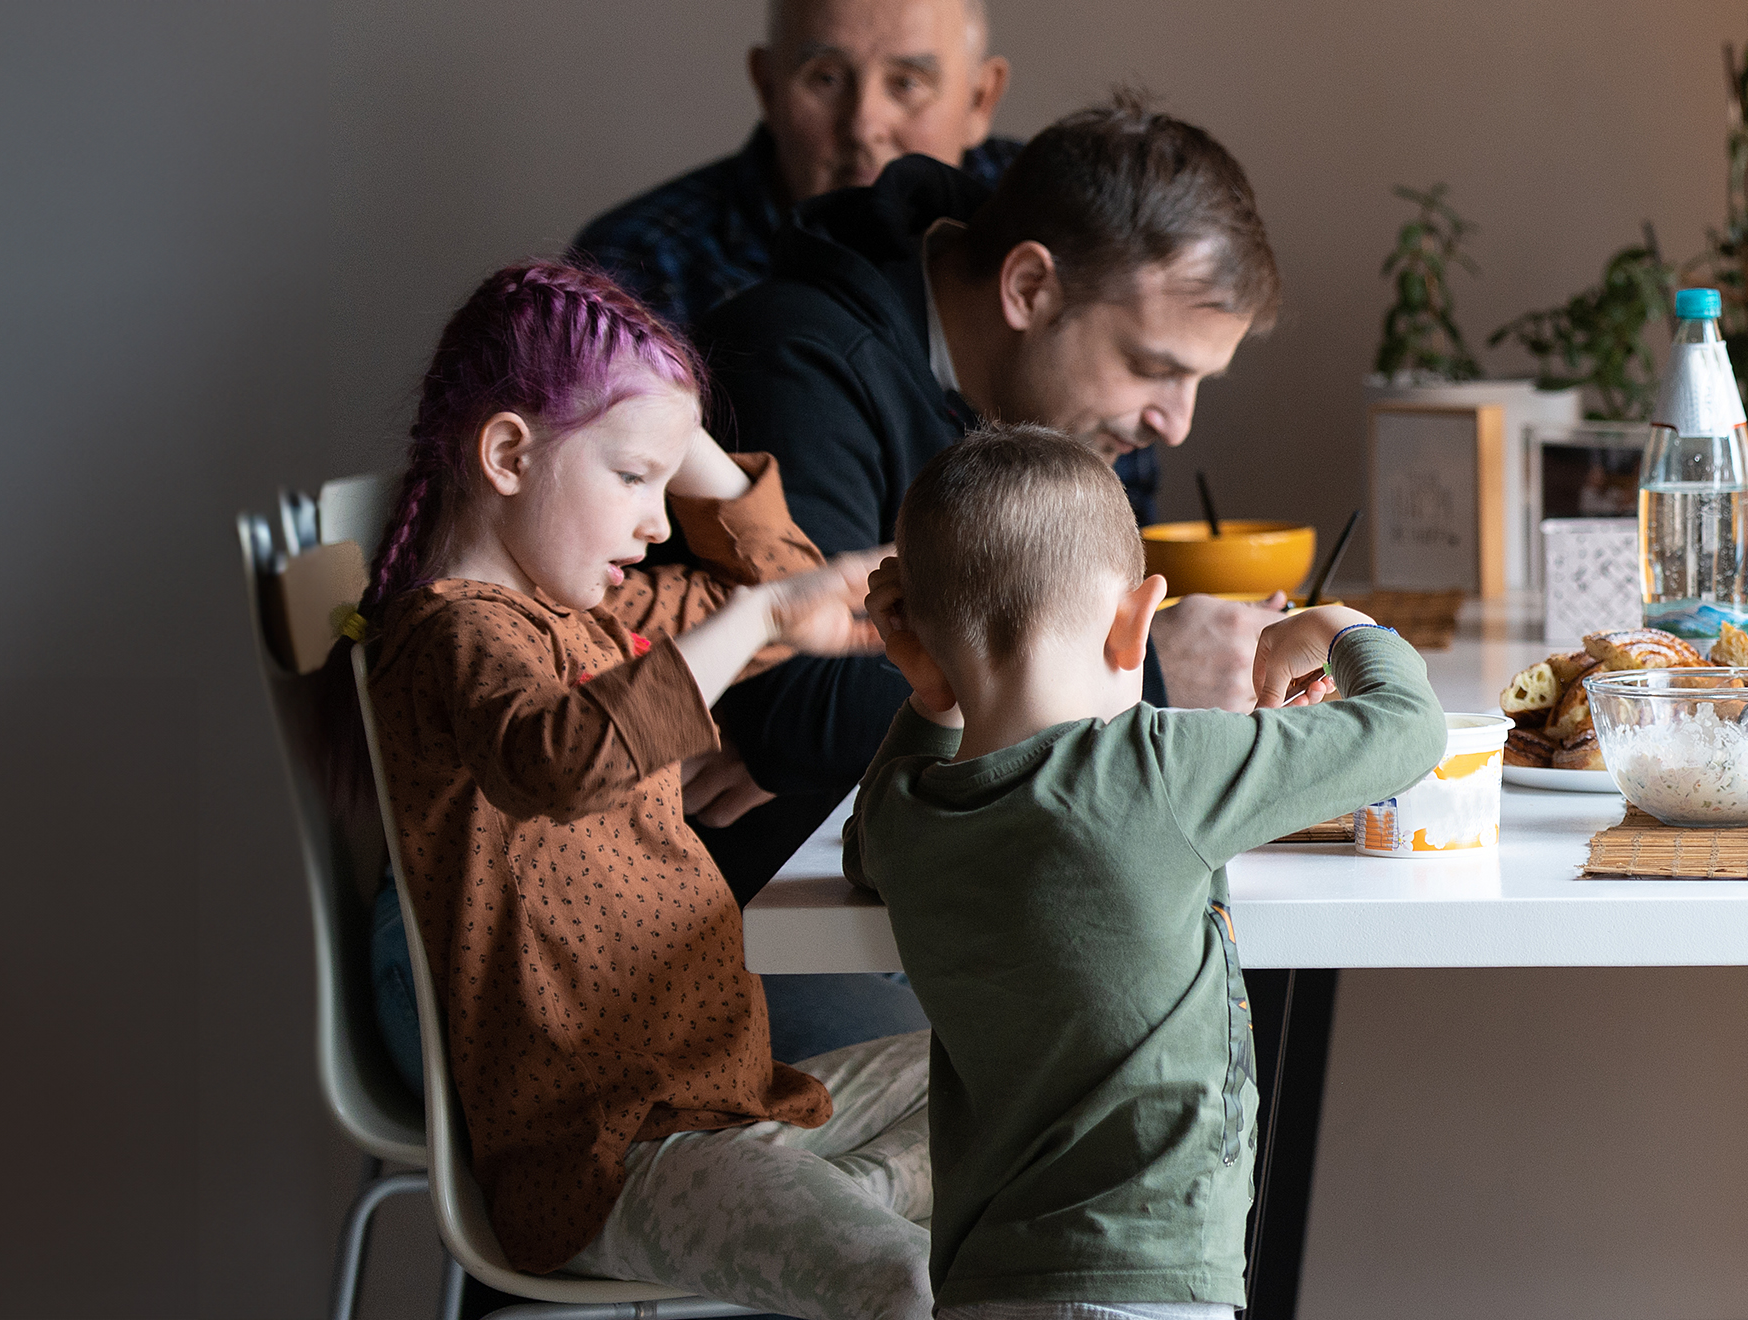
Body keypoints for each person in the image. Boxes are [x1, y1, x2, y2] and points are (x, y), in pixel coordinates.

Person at [345, 260, 936, 1318]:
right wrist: (754, 623)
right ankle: (820, 1217)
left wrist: (677, 441)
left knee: (1036, 1073)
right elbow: (559, 761)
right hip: (609, 1150)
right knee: (906, 1281)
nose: (660, 522)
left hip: (735, 1101)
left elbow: (772, 579)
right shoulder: (447, 637)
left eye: (665, 487)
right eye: (631, 481)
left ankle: (818, 1207)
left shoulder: (593, 618)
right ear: (508, 454)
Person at [842, 426, 1445, 1317]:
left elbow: (865, 841)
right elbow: (1408, 728)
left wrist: (932, 699)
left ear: (917, 636)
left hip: (979, 1282)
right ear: (1139, 617)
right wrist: (1338, 624)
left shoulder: (911, 814)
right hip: (1147, 1277)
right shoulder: (1155, 768)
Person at [673, 89, 1288, 920]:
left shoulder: (1020, 404)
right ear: (1030, 287)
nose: (1175, 425)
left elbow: (819, 723)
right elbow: (795, 706)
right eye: (1153, 366)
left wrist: (876, 726)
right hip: (742, 927)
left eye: (1197, 382)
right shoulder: (795, 362)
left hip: (913, 875)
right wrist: (1143, 668)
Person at [570, 0, 1021, 331]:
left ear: (981, 100)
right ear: (767, 87)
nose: (863, 125)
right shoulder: (640, 266)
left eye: (907, 83)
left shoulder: (1051, 211)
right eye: (826, 78)